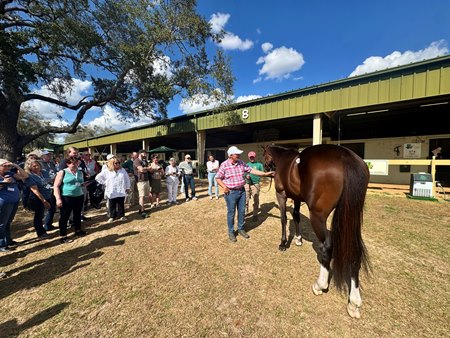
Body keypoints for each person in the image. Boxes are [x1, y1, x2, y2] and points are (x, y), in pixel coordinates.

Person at [215, 146, 274, 243]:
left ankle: (241, 229)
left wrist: (264, 174)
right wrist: (224, 187)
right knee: (231, 213)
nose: (239, 155)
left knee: (242, 211)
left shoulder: (241, 163)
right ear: (230, 155)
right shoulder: (224, 165)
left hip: (242, 191)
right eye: (237, 154)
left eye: (238, 154)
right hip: (231, 193)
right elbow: (218, 178)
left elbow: (252, 170)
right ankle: (231, 232)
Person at [53, 156, 87, 243]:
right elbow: (56, 186)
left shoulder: (80, 172)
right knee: (65, 216)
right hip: (66, 197)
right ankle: (63, 236)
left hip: (79, 196)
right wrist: (58, 199)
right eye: (72, 163)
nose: (75, 164)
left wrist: (84, 184)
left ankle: (78, 230)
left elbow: (80, 183)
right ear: (67, 164)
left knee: (77, 214)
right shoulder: (62, 172)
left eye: (76, 163)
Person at [0, 159, 28, 251]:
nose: (7, 167)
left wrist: (16, 166)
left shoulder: (10, 174)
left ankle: (8, 240)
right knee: (2, 223)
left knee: (8, 222)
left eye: (8, 166)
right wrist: (4, 182)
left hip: (14, 201)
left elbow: (25, 176)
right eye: (5, 166)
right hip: (4, 202)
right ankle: (2, 245)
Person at [24, 159, 56, 238]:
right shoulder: (29, 176)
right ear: (29, 167)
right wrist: (44, 201)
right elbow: (35, 190)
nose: (37, 167)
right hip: (37, 198)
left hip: (48, 194)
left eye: (38, 165)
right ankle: (41, 232)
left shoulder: (44, 172)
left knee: (51, 209)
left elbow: (50, 180)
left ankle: (48, 225)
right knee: (39, 215)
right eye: (34, 166)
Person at [95, 157, 130, 223]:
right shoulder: (107, 171)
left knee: (121, 203)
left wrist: (127, 187)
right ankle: (112, 216)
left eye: (119, 163)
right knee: (112, 204)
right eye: (116, 163)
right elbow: (97, 177)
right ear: (112, 164)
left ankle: (121, 215)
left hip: (121, 189)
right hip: (111, 190)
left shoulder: (122, 170)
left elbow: (127, 179)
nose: (118, 164)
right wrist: (105, 182)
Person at [244, 151, 265, 221]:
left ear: (255, 157)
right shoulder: (246, 164)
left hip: (255, 184)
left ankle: (255, 214)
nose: (252, 158)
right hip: (247, 184)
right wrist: (246, 176)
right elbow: (243, 174)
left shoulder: (259, 165)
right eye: (250, 157)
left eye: (253, 157)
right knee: (246, 199)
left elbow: (262, 173)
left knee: (256, 199)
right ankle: (245, 212)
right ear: (248, 157)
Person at [133, 149, 151, 218]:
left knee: (145, 195)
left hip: (146, 180)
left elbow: (150, 169)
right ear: (141, 153)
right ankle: (142, 211)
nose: (146, 155)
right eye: (145, 153)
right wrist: (147, 168)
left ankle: (142, 209)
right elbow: (141, 170)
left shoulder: (144, 161)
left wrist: (146, 168)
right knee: (141, 196)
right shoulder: (137, 160)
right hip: (140, 180)